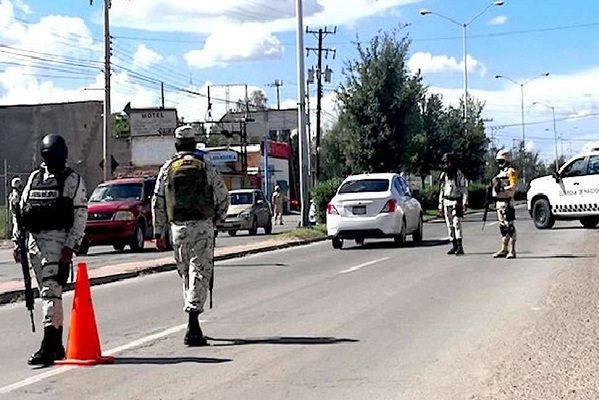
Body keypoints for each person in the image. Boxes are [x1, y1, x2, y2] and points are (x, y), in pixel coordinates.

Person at [13, 134, 87, 366]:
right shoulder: (35, 178)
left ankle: (48, 345)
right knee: (49, 293)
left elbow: (80, 214)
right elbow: (22, 212)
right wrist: (19, 242)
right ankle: (56, 345)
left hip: (57, 243)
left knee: (50, 293)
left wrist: (70, 246)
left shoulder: (72, 179)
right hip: (35, 243)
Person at [152, 125, 229, 346]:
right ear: (194, 144)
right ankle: (193, 323)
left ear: (177, 145)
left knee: (186, 272)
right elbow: (222, 195)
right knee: (199, 272)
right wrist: (217, 219)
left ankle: (191, 316)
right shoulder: (205, 166)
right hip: (202, 226)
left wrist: (159, 231)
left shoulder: (167, 168)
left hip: (178, 228)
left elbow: (157, 201)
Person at [438, 152, 468, 255]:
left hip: (456, 201)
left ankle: (460, 246)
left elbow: (464, 189)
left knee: (456, 224)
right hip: (446, 202)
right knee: (449, 225)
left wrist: (464, 202)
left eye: (448, 162)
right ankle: (454, 245)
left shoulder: (459, 174)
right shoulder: (444, 175)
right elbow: (441, 190)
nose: (446, 165)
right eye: (445, 163)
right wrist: (440, 204)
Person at [492, 149, 518, 259]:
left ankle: (512, 250)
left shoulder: (511, 172)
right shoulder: (499, 174)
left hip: (507, 202)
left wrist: (502, 189)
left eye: (501, 161)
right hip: (499, 202)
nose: (499, 163)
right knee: (502, 227)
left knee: (509, 226)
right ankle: (504, 248)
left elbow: (513, 186)